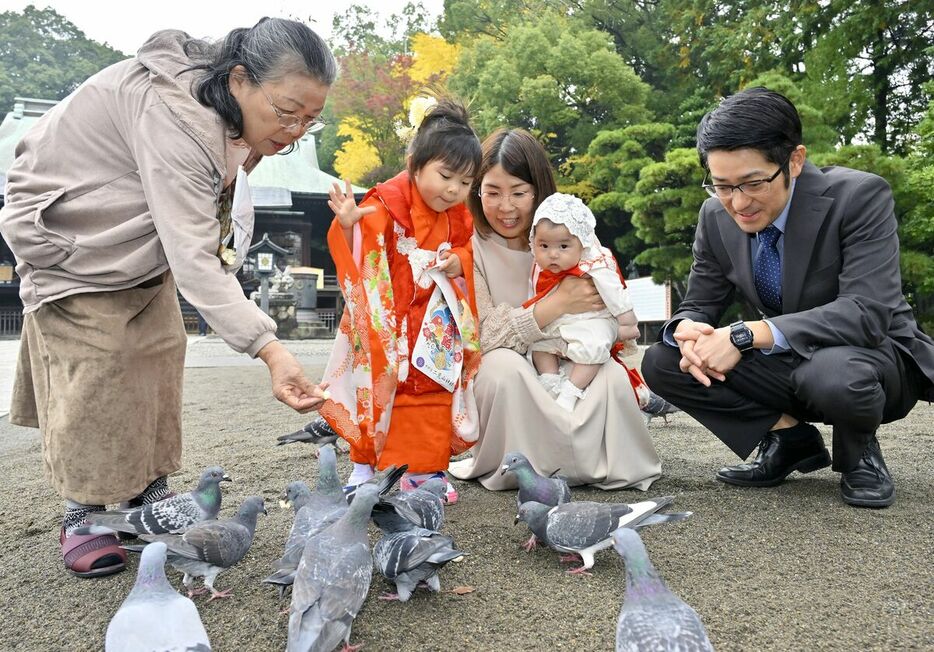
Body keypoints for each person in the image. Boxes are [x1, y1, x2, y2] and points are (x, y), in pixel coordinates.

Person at [0, 18, 334, 578]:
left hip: (140, 242)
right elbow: (195, 258)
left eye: (311, 118)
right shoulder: (175, 116)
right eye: (287, 111)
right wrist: (272, 350)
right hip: (77, 237)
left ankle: (146, 493)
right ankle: (83, 514)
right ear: (239, 80)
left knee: (159, 351)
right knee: (100, 367)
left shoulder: (224, 109)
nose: (297, 129)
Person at [641, 87, 934, 508]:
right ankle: (789, 438)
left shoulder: (859, 197)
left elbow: (866, 314)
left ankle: (860, 455)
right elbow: (699, 302)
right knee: (663, 360)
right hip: (788, 360)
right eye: (721, 186)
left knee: (833, 371)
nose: (737, 203)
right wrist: (688, 331)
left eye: (753, 183)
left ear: (794, 161)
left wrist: (744, 335)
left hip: (872, 358)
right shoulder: (715, 216)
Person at [447, 128, 661, 491]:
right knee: (503, 369)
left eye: (519, 193)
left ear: (538, 190)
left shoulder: (565, 239)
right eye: (492, 192)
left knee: (607, 373)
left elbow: (603, 303)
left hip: (571, 356)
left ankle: (588, 463)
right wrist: (554, 305)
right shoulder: (469, 248)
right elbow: (482, 335)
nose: (506, 207)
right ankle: (524, 465)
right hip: (512, 363)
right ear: (475, 190)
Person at [320, 98, 482, 504]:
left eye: (464, 183)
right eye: (445, 176)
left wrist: (456, 261)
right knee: (377, 387)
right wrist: (349, 225)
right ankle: (365, 469)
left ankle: (427, 471)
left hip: (433, 319)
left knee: (434, 389)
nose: (453, 190)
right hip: (389, 319)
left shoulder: (459, 215)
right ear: (415, 163)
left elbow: (468, 250)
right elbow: (363, 242)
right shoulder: (386, 201)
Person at [524, 193, 640, 411]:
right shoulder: (539, 266)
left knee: (592, 349)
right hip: (561, 320)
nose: (553, 255)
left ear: (582, 243)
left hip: (593, 318)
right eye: (544, 246)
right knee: (540, 346)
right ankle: (550, 381)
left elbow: (615, 293)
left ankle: (571, 391)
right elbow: (535, 295)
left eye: (563, 246)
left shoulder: (594, 263)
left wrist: (627, 323)